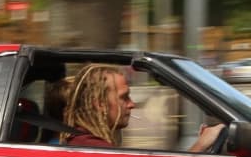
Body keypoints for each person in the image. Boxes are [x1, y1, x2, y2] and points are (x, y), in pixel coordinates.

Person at [62, 64, 223, 152]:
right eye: (124, 97)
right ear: (99, 104)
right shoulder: (95, 151)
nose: (132, 104)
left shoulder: (86, 143)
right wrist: (201, 145)